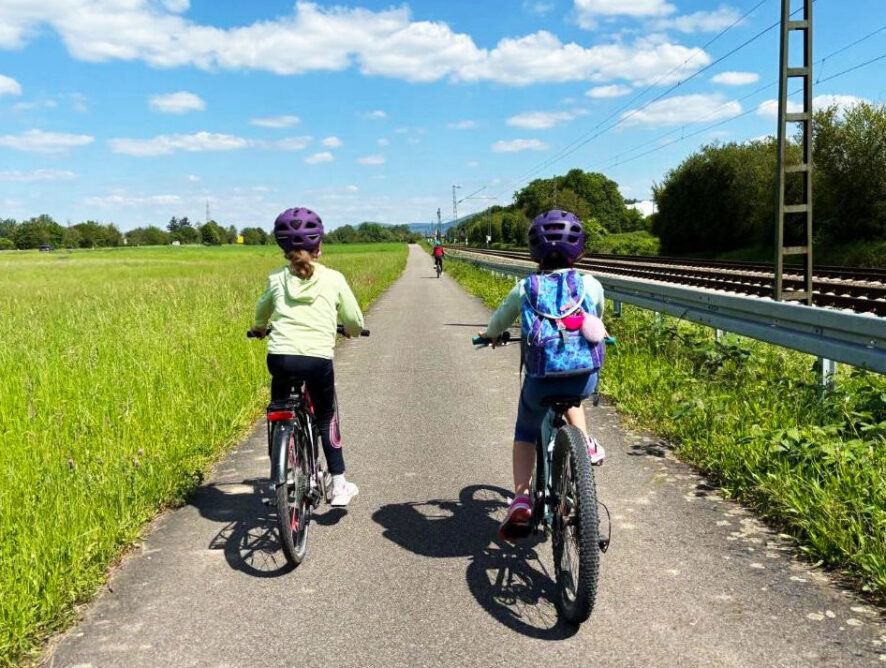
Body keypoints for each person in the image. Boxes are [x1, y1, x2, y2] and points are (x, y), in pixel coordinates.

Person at [478, 210, 606, 541]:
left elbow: (499, 322)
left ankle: (521, 498)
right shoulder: (590, 284)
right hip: (583, 376)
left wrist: (490, 335)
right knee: (574, 397)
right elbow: (598, 315)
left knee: (525, 430)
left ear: (534, 251)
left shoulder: (526, 287)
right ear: (579, 250)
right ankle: (586, 443)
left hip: (540, 379)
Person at [251, 207, 365, 507]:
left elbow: (263, 311)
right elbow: (353, 318)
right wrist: (353, 330)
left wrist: (260, 328)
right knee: (326, 416)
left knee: (280, 407)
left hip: (281, 358)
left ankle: (284, 468)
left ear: (283, 248)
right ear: (318, 246)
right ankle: (338, 483)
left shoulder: (276, 278)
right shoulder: (334, 278)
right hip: (317, 360)